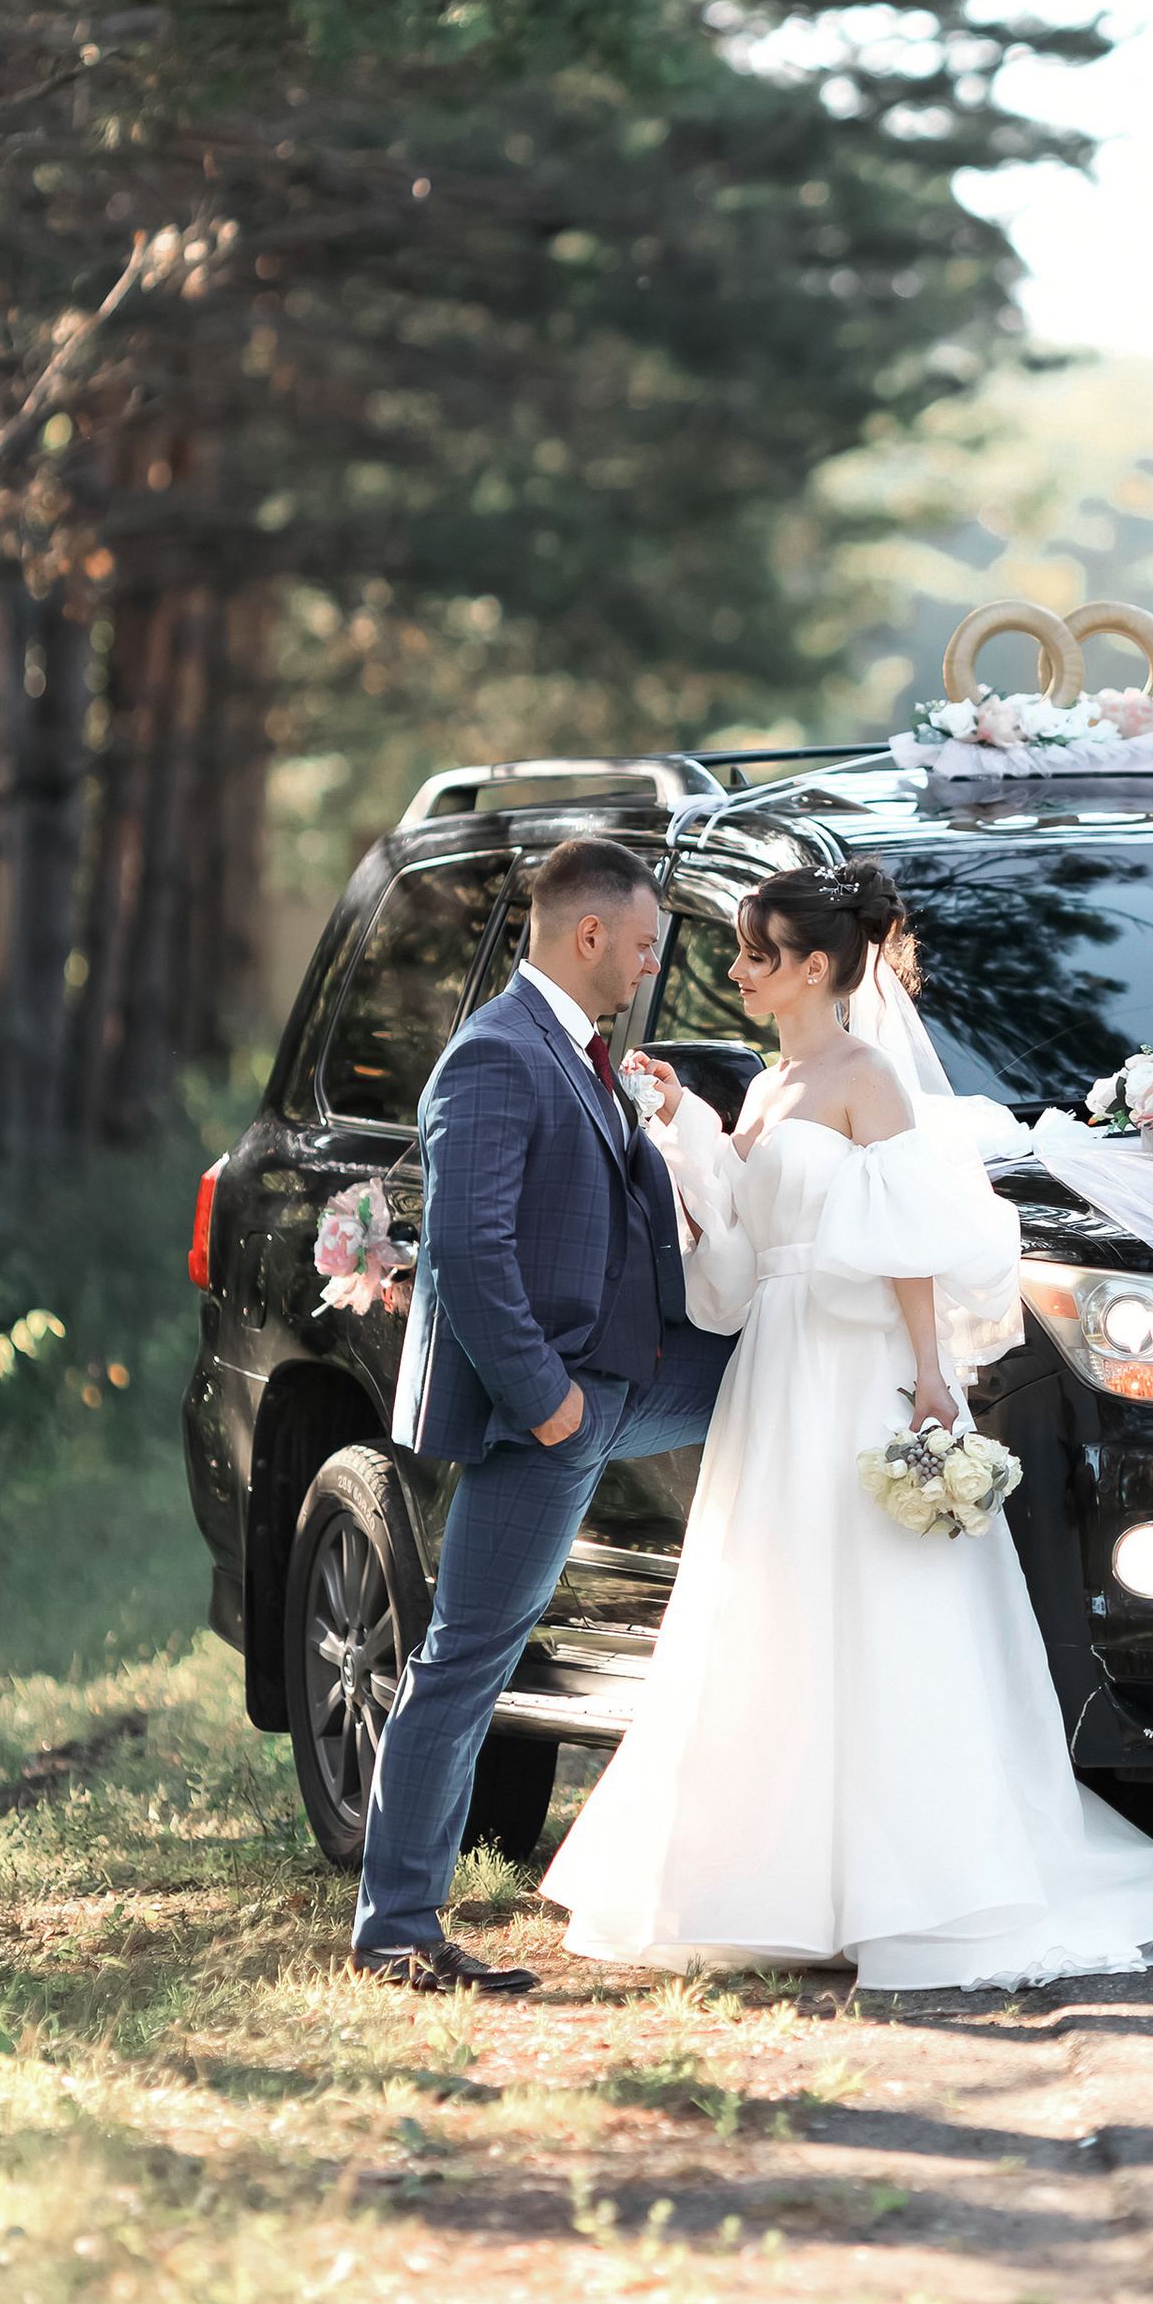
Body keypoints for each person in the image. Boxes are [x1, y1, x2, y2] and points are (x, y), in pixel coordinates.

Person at [538, 857, 1153, 1989]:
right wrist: (683, 1122)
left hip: (855, 1367)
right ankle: (772, 1879)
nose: (736, 971)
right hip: (777, 1365)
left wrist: (932, 1375)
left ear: (813, 967)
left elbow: (911, 1235)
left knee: (880, 1602)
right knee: (777, 1597)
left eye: (754, 954)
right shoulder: (767, 1087)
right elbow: (736, 1241)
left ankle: (913, 1879)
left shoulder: (867, 1079)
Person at [352, 834, 733, 1995]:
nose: (652, 964)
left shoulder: (579, 1052)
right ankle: (398, 1930)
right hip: (552, 1413)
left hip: (626, 1381)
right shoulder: (496, 1055)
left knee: (779, 1377)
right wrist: (549, 1404)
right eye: (645, 944)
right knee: (466, 1657)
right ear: (590, 934)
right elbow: (470, 1255)